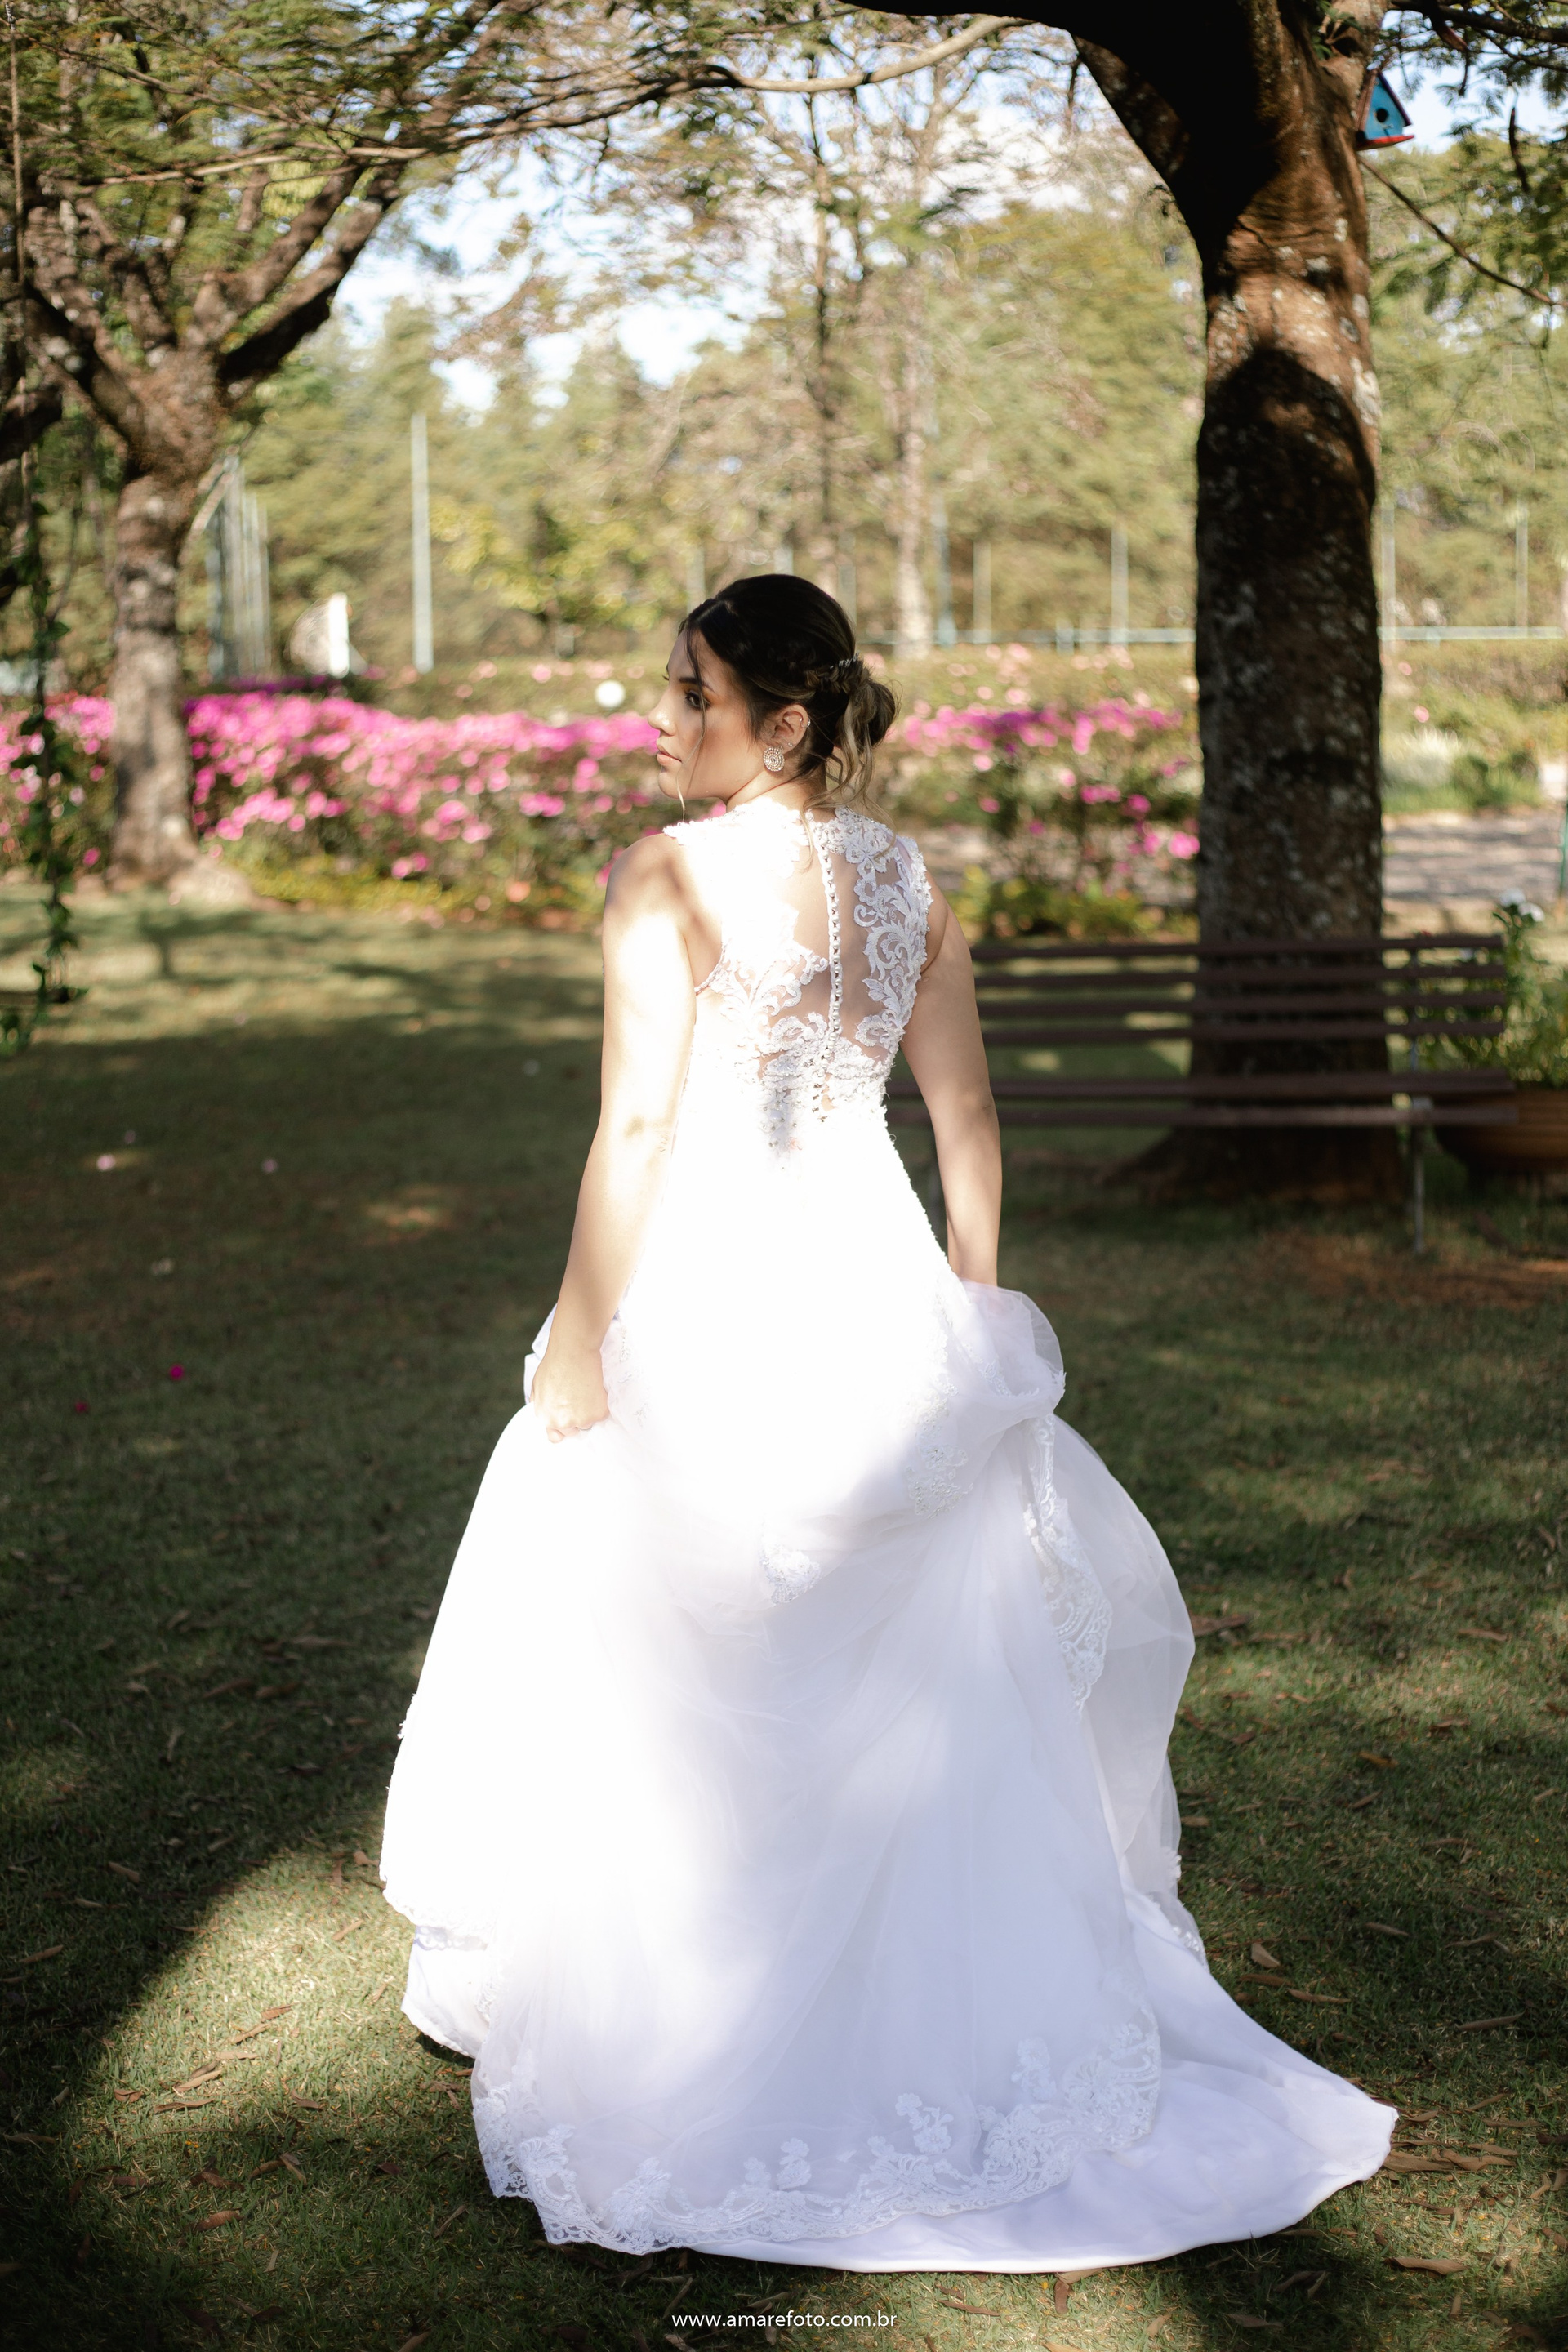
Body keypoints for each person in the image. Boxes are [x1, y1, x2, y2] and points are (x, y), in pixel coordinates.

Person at [380, 575, 1393, 2270]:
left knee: (692, 1606)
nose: (658, 718)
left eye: (690, 693)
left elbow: (638, 1131)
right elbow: (967, 1114)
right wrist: (974, 1310)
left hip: (714, 1271)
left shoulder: (664, 874)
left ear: (780, 721)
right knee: (884, 1639)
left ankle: (695, 1988)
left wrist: (579, 1336)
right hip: (874, 1274)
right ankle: (879, 1966)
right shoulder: (910, 880)